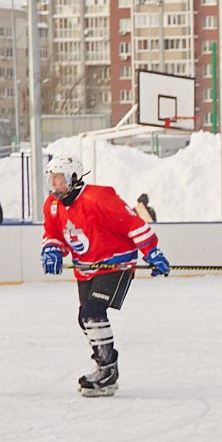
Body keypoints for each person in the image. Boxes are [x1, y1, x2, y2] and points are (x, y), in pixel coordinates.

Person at [40, 154, 166, 397]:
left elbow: (132, 224)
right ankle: (104, 366)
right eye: (51, 178)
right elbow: (53, 234)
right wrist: (52, 250)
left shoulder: (99, 197)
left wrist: (152, 252)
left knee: (92, 313)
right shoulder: (52, 206)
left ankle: (107, 370)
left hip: (115, 263)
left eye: (58, 178)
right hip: (86, 268)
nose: (53, 184)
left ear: (73, 177)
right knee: (84, 318)